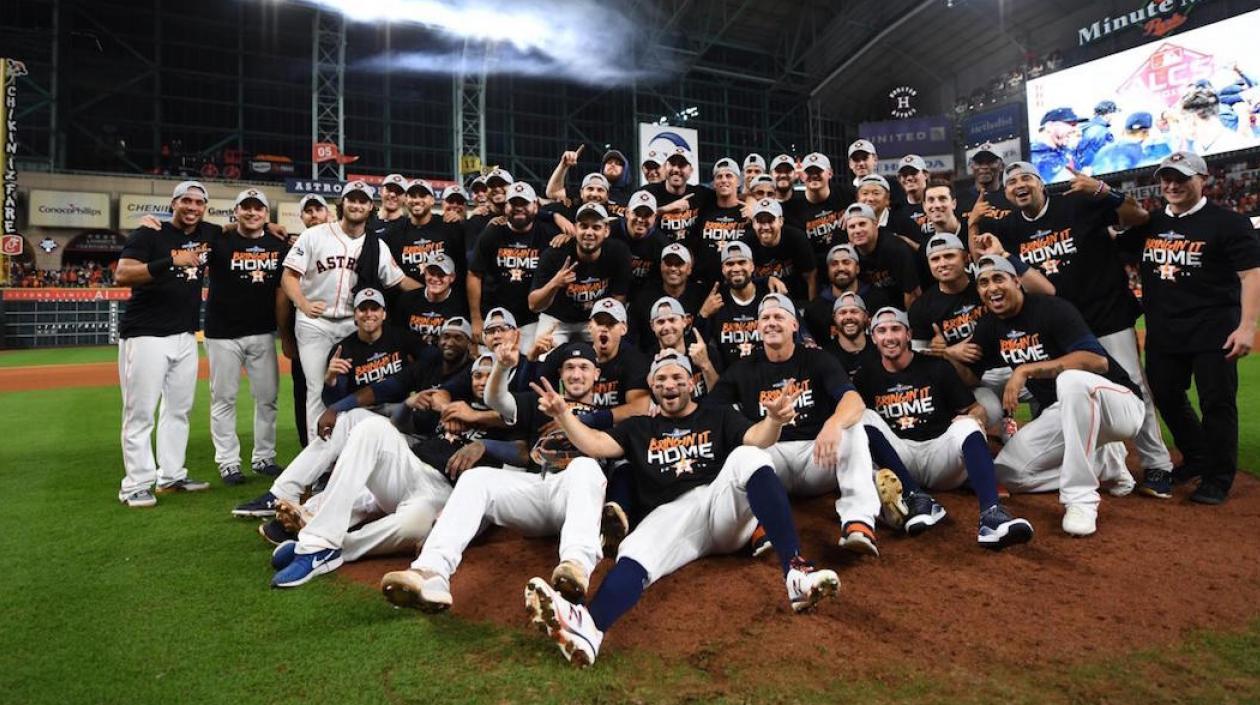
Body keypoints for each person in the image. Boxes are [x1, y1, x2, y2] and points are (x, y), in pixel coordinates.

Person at [520, 352, 840, 667]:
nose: (669, 384)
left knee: (750, 457)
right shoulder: (638, 427)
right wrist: (563, 414)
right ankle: (589, 628)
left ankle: (796, 572)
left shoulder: (719, 415)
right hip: (671, 515)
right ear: (652, 385)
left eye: (676, 377)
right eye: (660, 378)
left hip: (720, 505)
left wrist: (773, 421)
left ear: (691, 382)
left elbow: (757, 438)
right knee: (634, 551)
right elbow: (595, 444)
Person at [378, 340, 610, 612]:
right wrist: (501, 367)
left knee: (585, 467)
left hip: (575, 493)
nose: (576, 374)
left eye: (584, 367)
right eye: (569, 367)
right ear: (560, 374)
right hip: (538, 486)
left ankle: (576, 566)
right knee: (477, 479)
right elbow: (498, 400)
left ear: (597, 374)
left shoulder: (609, 414)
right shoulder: (543, 402)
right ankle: (431, 574)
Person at [983, 161, 1173, 489]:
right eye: (1011, 182)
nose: (1019, 185)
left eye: (1026, 177)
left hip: (1105, 314)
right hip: (1058, 326)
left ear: (1042, 184)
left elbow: (1138, 217)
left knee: (1133, 386)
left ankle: (1157, 464)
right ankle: (1096, 458)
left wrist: (1103, 189)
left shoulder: (1077, 202)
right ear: (1008, 193)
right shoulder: (1011, 228)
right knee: (1063, 391)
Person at [958, 256, 1146, 537]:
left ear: (1017, 281)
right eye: (983, 282)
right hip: (1063, 412)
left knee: (1070, 380)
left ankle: (1081, 499)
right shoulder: (989, 326)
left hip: (1117, 404)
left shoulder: (1051, 309)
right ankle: (1103, 462)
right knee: (1007, 473)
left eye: (999, 278)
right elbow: (968, 379)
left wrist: (1024, 370)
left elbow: (1097, 361)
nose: (991, 287)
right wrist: (948, 354)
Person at [1116, 151, 1260, 504]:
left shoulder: (1228, 223)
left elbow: (1251, 273)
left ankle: (1218, 477)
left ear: (1202, 179)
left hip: (1214, 331)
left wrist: (1247, 327)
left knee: (1217, 403)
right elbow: (1112, 252)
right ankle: (1197, 456)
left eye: (1181, 177)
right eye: (1166, 178)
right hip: (1164, 332)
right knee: (1165, 394)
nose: (1172, 185)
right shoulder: (1149, 223)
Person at [708, 293, 882, 555]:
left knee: (853, 427)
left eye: (779, 316)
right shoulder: (743, 369)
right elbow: (711, 412)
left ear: (794, 325)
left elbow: (854, 400)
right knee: (743, 451)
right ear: (757, 327)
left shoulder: (817, 359)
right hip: (770, 460)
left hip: (817, 457)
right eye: (765, 318)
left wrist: (833, 423)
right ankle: (758, 524)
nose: (771, 322)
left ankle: (858, 522)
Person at [856, 307, 1034, 549]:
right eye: (882, 331)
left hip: (940, 457)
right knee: (862, 416)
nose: (889, 337)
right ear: (873, 337)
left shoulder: (936, 367)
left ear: (908, 335)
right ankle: (915, 497)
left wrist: (974, 418)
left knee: (968, 424)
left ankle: (992, 516)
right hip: (900, 460)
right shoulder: (865, 376)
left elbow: (976, 408)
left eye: (896, 329)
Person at [281, 180, 421, 442]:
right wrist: (303, 303)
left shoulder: (376, 244)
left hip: (352, 323)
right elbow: (288, 277)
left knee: (353, 391)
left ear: (370, 207)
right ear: (341, 203)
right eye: (351, 199)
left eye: (362, 200)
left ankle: (347, 452)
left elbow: (399, 280)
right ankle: (318, 463)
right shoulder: (314, 235)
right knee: (317, 389)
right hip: (315, 323)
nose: (356, 205)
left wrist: (434, 293)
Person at [113, 180, 218, 507]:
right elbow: (123, 273)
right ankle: (135, 484)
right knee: (140, 412)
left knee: (178, 410)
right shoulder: (150, 233)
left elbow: (235, 227)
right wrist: (171, 261)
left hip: (185, 335)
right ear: (173, 203)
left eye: (198, 202)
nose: (192, 207)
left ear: (204, 207)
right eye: (186, 201)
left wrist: (269, 223)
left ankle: (171, 475)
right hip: (146, 334)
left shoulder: (208, 234)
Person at [203, 188, 287, 485]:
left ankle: (264, 457)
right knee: (223, 398)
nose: (252, 213)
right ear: (235, 211)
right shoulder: (218, 240)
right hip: (222, 334)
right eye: (246, 208)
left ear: (266, 214)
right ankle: (228, 462)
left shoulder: (278, 245)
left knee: (267, 398)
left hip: (262, 332)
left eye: (258, 209)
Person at [467, 182, 561, 349]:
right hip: (496, 319)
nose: (519, 208)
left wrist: (562, 229)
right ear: (506, 207)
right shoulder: (492, 232)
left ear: (535, 206)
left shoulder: (548, 232)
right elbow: (474, 274)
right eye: (513, 203)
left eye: (524, 203)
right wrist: (476, 318)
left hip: (533, 320)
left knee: (529, 368)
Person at [529, 203, 632, 345]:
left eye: (596, 227)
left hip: (594, 319)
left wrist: (605, 327)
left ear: (606, 231)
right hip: (557, 319)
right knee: (542, 356)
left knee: (611, 350)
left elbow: (618, 299)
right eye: (584, 226)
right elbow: (533, 305)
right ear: (575, 228)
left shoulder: (618, 252)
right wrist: (554, 284)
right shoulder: (555, 254)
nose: (589, 232)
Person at [282, 193, 334, 448]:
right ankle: (309, 449)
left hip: (338, 329)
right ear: (301, 217)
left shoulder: (344, 241)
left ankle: (339, 450)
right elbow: (282, 293)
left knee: (338, 388)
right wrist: (286, 338)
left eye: (318, 210)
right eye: (308, 211)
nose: (314, 215)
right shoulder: (292, 246)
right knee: (305, 391)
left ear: (329, 213)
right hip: (305, 331)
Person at [698, 241, 776, 368]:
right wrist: (703, 315)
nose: (736, 268)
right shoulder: (715, 301)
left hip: (769, 378)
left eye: (742, 262)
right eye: (730, 264)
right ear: (723, 269)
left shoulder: (771, 294)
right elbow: (697, 346)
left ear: (752, 266)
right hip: (730, 380)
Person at [803, 243, 891, 347]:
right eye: (834, 264)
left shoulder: (878, 300)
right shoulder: (815, 309)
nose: (840, 268)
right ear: (828, 270)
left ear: (857, 268)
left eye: (846, 262)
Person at [386, 179, 467, 286]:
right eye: (412, 196)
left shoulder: (449, 225)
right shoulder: (394, 232)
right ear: (406, 200)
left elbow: (461, 267)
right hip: (409, 298)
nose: (417, 200)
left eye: (422, 196)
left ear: (432, 200)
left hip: (446, 297)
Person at [628, 242, 706, 350]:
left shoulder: (700, 296)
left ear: (689, 269)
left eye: (679, 264)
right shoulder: (644, 298)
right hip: (652, 359)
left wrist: (703, 316)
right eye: (668, 263)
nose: (673, 268)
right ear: (661, 267)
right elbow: (632, 339)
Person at [844, 202, 921, 310]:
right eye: (852, 227)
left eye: (862, 224)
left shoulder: (896, 249)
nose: (857, 230)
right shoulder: (849, 254)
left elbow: (913, 293)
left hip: (903, 307)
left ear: (875, 224)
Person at [782, 152, 848, 275]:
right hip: (815, 271)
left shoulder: (845, 194)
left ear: (830, 173)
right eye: (809, 172)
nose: (814, 176)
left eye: (818, 171)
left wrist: (855, 209)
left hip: (846, 265)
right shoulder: (792, 208)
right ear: (801, 176)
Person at [685, 157, 748, 286]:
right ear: (714, 183)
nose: (724, 180)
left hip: (736, 283)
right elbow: (692, 243)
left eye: (729, 175)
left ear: (738, 181)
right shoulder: (703, 210)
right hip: (703, 283)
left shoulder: (747, 213)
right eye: (719, 176)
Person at [744, 198, 816, 303]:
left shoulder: (796, 238)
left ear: (781, 221)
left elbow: (811, 276)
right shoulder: (746, 243)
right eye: (760, 221)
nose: (765, 227)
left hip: (795, 299)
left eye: (770, 221)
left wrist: (811, 309)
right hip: (759, 302)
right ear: (753, 223)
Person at [391, 253, 469, 347]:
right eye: (431, 273)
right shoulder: (407, 300)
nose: (435, 279)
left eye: (441, 275)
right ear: (425, 274)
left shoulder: (462, 303)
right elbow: (398, 336)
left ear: (452, 278)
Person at [614, 190, 667, 290]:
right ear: (627, 213)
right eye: (636, 213)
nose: (640, 219)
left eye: (647, 215)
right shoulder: (610, 232)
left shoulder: (661, 244)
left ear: (655, 217)